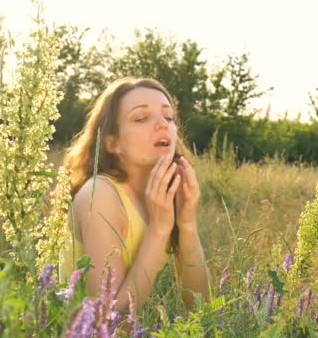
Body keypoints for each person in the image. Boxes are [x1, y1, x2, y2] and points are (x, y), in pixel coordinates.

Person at [61, 77, 210, 311]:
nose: (163, 124)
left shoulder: (165, 196)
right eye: (141, 118)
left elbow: (202, 309)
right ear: (112, 143)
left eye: (168, 117)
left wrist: (187, 223)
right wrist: (159, 230)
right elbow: (108, 322)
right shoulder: (100, 194)